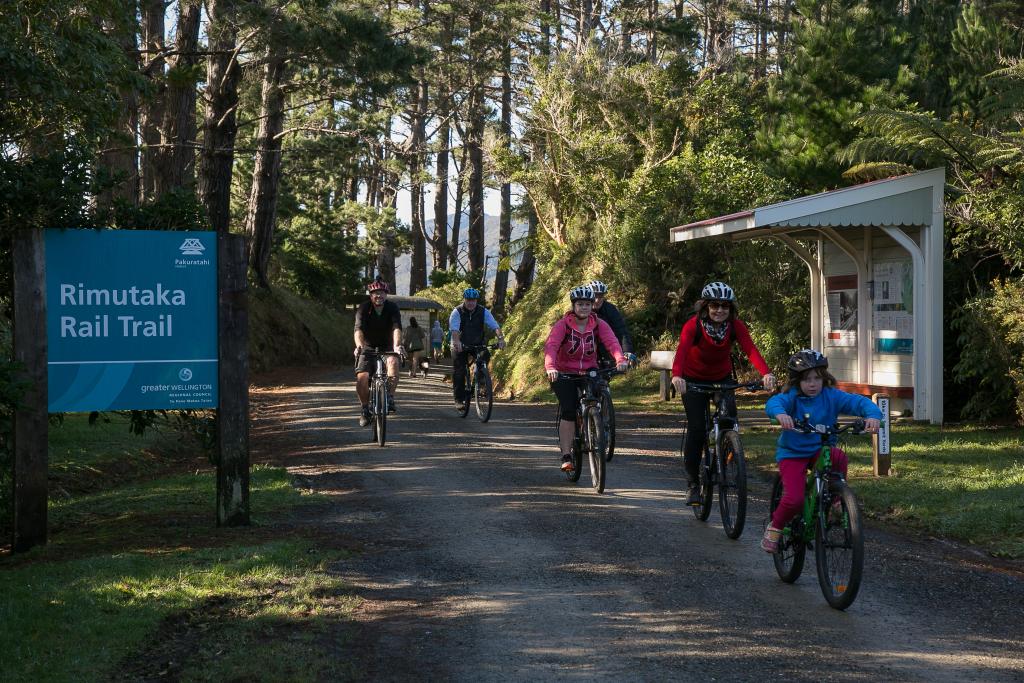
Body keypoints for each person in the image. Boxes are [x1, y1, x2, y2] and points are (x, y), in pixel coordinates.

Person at [761, 349, 881, 553]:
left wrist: (872, 414)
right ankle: (775, 526)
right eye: (807, 379)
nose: (812, 384)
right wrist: (780, 414)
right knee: (794, 499)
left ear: (824, 378)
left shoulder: (831, 395)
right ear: (797, 381)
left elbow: (857, 402)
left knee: (839, 457)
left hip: (820, 448)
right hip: (793, 453)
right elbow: (775, 402)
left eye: (817, 378)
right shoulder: (792, 397)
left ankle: (835, 500)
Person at [671, 281, 777, 504]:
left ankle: (726, 452)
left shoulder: (735, 326)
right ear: (706, 307)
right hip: (693, 380)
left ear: (731, 309)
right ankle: (692, 483)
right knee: (697, 429)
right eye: (715, 306)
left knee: (729, 420)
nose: (720, 310)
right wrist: (677, 376)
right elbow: (681, 351)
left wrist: (766, 373)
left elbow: (750, 349)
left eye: (725, 306)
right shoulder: (694, 325)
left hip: (722, 379)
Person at [544, 284, 630, 472]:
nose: (584, 307)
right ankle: (566, 455)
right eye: (580, 304)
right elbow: (551, 346)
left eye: (588, 304)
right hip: (564, 372)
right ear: (574, 306)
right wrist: (551, 367)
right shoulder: (562, 325)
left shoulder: (599, 323)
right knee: (568, 410)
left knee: (598, 393)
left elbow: (612, 342)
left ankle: (593, 422)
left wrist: (620, 359)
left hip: (590, 370)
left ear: (592, 306)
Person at [354, 277, 404, 426]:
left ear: (386, 294)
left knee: (393, 362)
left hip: (387, 347)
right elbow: (358, 329)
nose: (378, 296)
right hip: (367, 347)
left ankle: (389, 396)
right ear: (370, 295)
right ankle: (364, 409)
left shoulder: (392, 308)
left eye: (381, 293)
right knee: (362, 377)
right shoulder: (363, 308)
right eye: (375, 293)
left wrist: (397, 346)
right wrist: (359, 346)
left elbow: (396, 327)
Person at [449, 287, 505, 410]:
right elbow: (454, 330)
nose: (471, 303)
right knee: (459, 371)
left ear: (476, 300)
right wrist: (457, 342)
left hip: (477, 343)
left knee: (486, 354)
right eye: (468, 300)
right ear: (464, 299)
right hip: (460, 344)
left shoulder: (483, 311)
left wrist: (500, 338)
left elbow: (494, 326)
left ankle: (480, 381)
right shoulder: (457, 312)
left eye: (473, 300)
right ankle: (459, 399)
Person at [588, 280, 636, 364]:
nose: (597, 300)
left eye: (600, 296)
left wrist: (627, 351)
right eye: (594, 296)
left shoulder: (610, 309)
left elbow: (622, 331)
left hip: (609, 349)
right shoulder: (582, 310)